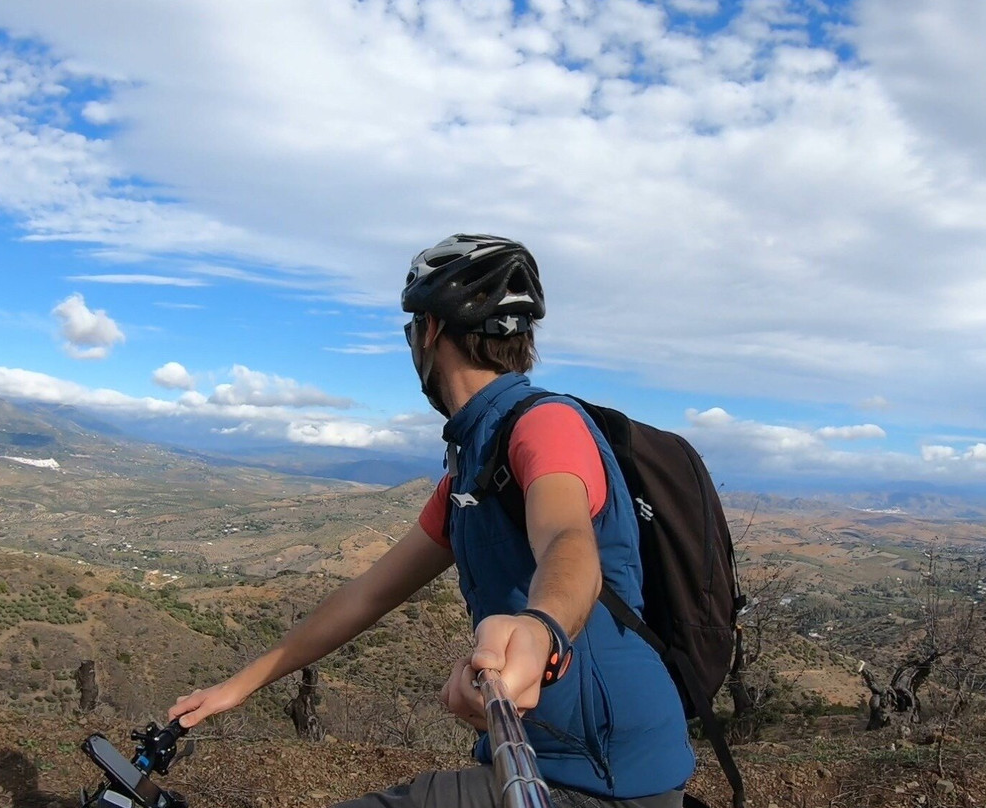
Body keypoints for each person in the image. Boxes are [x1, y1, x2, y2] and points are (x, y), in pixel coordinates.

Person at [168, 234, 695, 807]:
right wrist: (234, 688)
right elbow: (364, 596)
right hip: (536, 759)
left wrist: (542, 628)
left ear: (431, 331)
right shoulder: (472, 470)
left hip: (600, 774)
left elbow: (568, 540)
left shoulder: (546, 425)